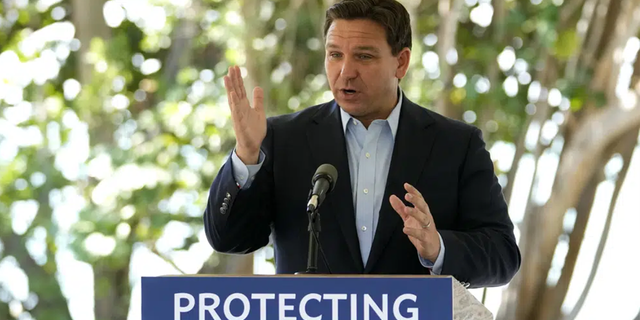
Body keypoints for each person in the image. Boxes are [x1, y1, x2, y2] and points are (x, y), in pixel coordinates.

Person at [204, 0, 520, 288]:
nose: (345, 72)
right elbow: (228, 239)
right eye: (334, 55)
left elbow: (502, 255)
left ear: (401, 62)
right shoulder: (281, 138)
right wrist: (246, 155)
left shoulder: (457, 145)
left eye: (363, 56)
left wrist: (438, 247)